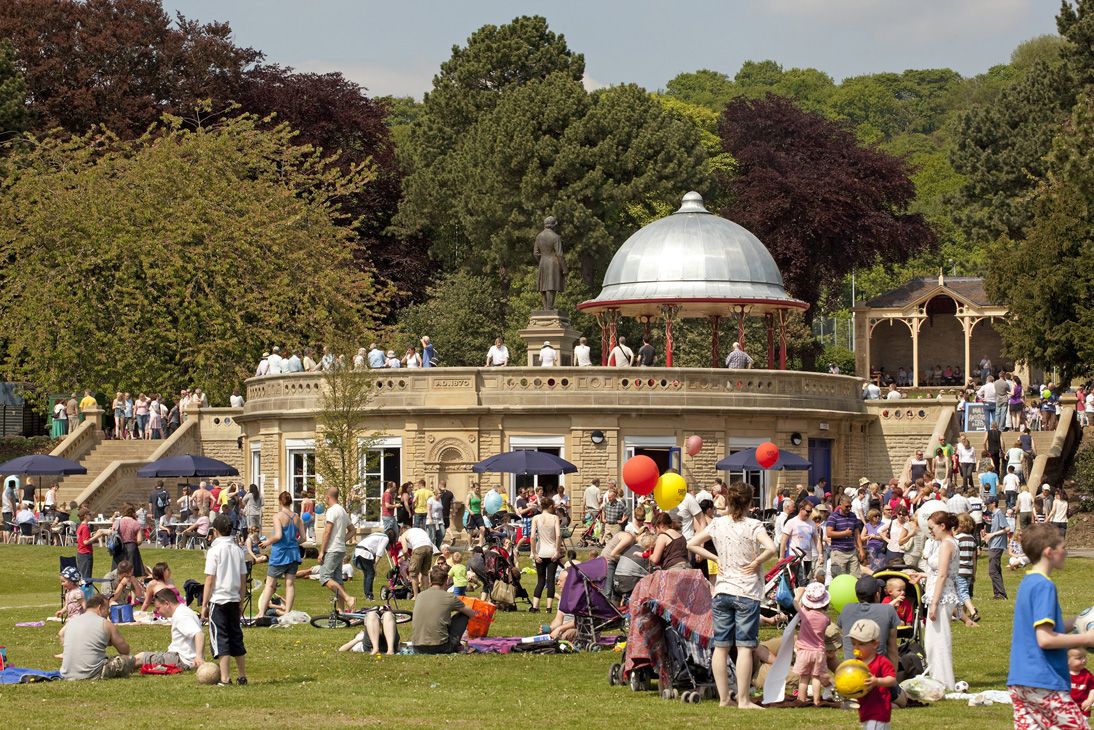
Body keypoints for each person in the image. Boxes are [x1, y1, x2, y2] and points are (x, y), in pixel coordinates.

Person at [686, 481, 776, 709]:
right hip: (746, 592)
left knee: (721, 646)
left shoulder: (718, 524)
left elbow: (692, 543)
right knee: (745, 646)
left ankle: (724, 699)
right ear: (749, 502)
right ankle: (744, 699)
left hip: (723, 591)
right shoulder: (754, 525)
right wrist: (756, 562)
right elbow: (772, 549)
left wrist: (715, 558)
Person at [1008, 523, 1094, 728]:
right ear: (1049, 552)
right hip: (1043, 680)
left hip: (1019, 681)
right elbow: (1045, 639)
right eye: (1063, 547)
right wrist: (1088, 639)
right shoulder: (1045, 585)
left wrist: (1080, 620)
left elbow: (1044, 630)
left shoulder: (1028, 582)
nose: (1066, 552)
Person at [921, 511, 965, 690]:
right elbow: (939, 572)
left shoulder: (947, 544)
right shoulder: (945, 543)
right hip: (940, 594)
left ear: (942, 526)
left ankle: (944, 680)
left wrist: (933, 603)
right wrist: (922, 574)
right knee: (931, 642)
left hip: (942, 597)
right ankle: (937, 676)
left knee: (938, 641)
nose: (930, 532)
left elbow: (943, 575)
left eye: (932, 528)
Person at [60, 594, 136, 681]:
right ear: (100, 608)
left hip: (67, 673)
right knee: (131, 659)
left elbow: (62, 635)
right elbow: (125, 650)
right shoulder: (105, 624)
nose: (108, 612)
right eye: (107, 608)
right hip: (92, 673)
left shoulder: (71, 622)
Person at [836, 576, 901, 672]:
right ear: (877, 594)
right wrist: (892, 680)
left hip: (849, 672)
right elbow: (892, 649)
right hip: (874, 673)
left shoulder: (847, 608)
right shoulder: (888, 610)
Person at [411, 566, 475, 654]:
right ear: (447, 582)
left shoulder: (419, 596)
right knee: (463, 615)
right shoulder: (450, 597)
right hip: (441, 647)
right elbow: (471, 613)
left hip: (417, 647)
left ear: (430, 582)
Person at [135, 589, 205, 670]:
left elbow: (199, 634)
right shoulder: (183, 611)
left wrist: (199, 657)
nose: (158, 611)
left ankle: (117, 667)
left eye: (158, 608)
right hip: (180, 658)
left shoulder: (181, 615)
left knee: (139, 658)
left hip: (181, 660)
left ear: (167, 604)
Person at [258, 492, 303, 616]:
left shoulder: (277, 516)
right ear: (291, 502)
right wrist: (293, 543)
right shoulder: (296, 516)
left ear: (279, 502)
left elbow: (278, 535)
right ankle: (287, 612)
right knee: (290, 583)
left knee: (270, 583)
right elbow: (303, 538)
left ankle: (261, 612)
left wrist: (267, 542)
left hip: (280, 554)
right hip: (293, 553)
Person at [848, 619, 896, 730]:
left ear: (875, 644)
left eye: (861, 644)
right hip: (865, 709)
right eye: (853, 643)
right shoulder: (856, 663)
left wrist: (878, 681)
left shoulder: (881, 661)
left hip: (879, 709)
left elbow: (892, 679)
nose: (856, 647)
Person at [793, 582, 832, 706]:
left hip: (804, 651)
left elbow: (795, 604)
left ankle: (801, 700)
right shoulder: (826, 618)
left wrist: (799, 594)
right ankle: (816, 700)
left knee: (804, 678)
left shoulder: (804, 614)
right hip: (819, 652)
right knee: (816, 677)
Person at [317, 487, 356, 612]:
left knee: (325, 577)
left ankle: (348, 598)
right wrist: (341, 540)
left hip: (332, 550)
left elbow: (327, 531)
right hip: (340, 549)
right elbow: (353, 530)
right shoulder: (342, 511)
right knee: (338, 580)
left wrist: (321, 551)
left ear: (327, 497)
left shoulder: (332, 511)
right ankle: (341, 611)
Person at [530, 499, 561, 614]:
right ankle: (549, 608)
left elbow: (532, 536)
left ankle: (535, 606)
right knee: (551, 580)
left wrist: (534, 553)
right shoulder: (555, 518)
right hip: (552, 551)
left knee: (540, 580)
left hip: (541, 552)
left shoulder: (536, 518)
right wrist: (557, 551)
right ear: (551, 506)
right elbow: (558, 535)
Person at [827, 496, 864, 577]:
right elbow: (829, 533)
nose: (849, 509)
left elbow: (857, 533)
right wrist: (844, 533)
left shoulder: (853, 516)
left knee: (856, 577)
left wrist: (861, 549)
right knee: (840, 579)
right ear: (840, 505)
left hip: (852, 551)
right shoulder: (833, 517)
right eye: (846, 506)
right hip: (839, 552)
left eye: (850, 506)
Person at [354, 529, 393, 601]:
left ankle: (367, 594)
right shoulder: (385, 538)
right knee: (370, 574)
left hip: (358, 550)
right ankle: (369, 596)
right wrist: (374, 565)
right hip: (365, 551)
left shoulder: (378, 535)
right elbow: (379, 552)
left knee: (367, 574)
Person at [983, 496, 1009, 599]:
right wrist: (988, 535)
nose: (987, 506)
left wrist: (992, 535)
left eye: (988, 504)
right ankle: (997, 593)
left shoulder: (998, 513)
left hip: (997, 545)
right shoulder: (994, 515)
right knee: (996, 570)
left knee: (993, 571)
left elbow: (1007, 528)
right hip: (993, 544)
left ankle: (1001, 593)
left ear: (994, 503)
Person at [401, 524, 435, 598]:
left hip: (419, 548)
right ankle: (426, 594)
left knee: (414, 573)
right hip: (429, 547)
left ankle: (416, 596)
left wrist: (405, 558)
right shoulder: (419, 530)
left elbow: (405, 550)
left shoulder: (404, 535)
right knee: (425, 572)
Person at [1070, 648, 1094, 717]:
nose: (1084, 660)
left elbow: (1092, 688)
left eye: (1085, 657)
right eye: (1079, 658)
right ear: (1067, 660)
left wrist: (1090, 700)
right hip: (1065, 710)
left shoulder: (1087, 675)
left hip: (1082, 711)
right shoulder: (1063, 674)